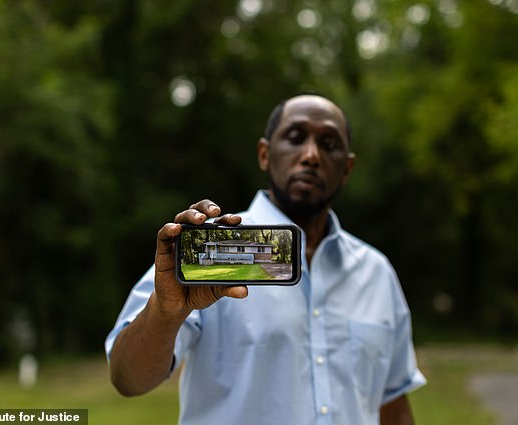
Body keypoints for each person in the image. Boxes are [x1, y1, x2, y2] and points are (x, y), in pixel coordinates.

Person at [105, 94, 426, 425]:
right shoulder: (214, 253)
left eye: (329, 143)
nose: (312, 155)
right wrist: (166, 312)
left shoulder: (375, 272)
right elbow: (127, 378)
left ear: (347, 167)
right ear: (264, 153)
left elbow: (391, 403)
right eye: (295, 137)